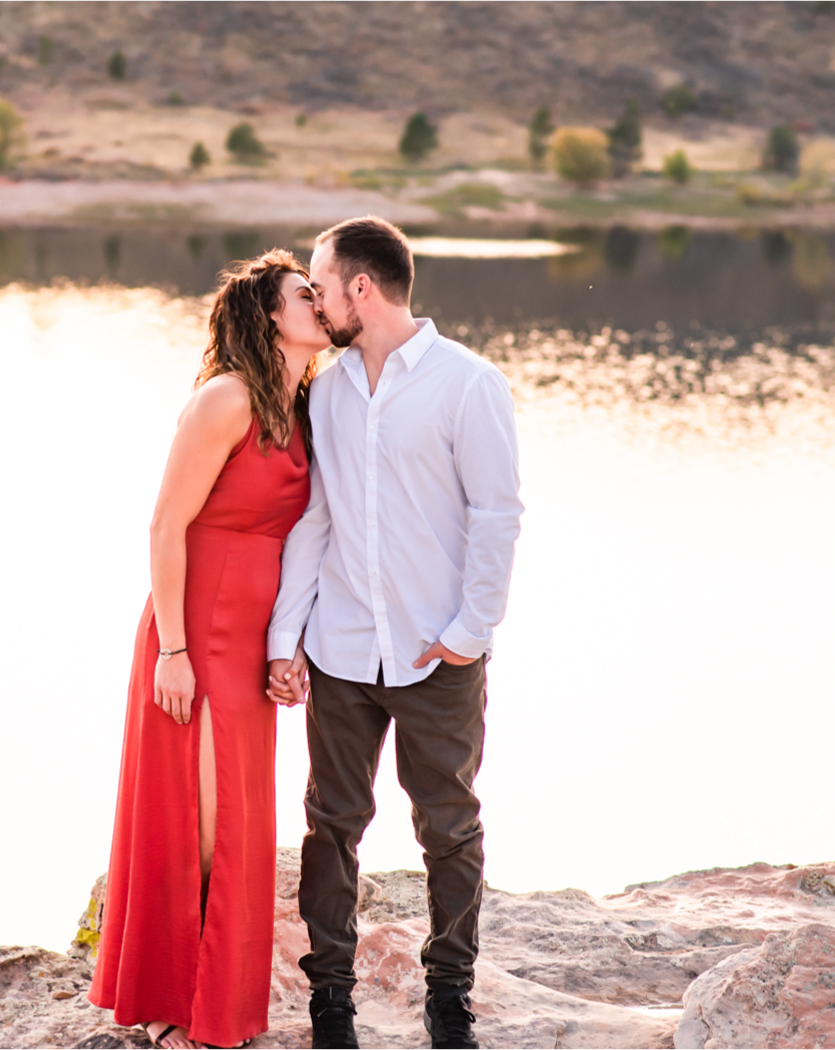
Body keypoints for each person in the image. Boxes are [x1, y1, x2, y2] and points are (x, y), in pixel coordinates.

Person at [265, 217, 523, 1050]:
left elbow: (497, 514)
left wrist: (470, 631)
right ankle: (330, 1002)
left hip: (435, 653)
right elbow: (316, 518)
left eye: (320, 286)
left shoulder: (468, 384)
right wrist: (286, 638)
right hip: (342, 650)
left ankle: (449, 995)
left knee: (447, 829)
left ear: (361, 288)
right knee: (331, 824)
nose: (315, 300)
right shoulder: (328, 391)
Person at [88, 250, 330, 1050]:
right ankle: (171, 999)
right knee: (197, 819)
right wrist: (173, 650)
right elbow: (166, 526)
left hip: (252, 640)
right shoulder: (225, 399)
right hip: (191, 633)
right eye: (305, 293)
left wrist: (289, 645)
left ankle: (218, 1003)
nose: (319, 302)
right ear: (269, 315)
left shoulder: (304, 405)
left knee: (239, 821)